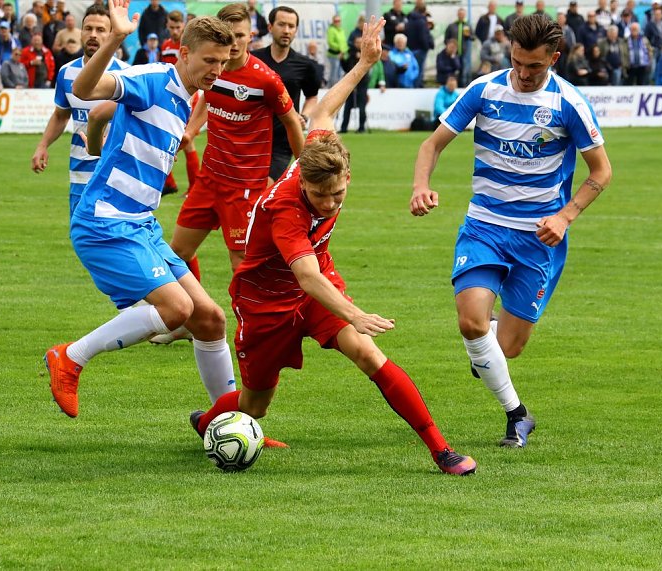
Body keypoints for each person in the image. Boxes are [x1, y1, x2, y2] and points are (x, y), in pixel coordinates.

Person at [190, 16, 477, 477]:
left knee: (367, 353)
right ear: (301, 179)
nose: (327, 203)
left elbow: (323, 111)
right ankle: (207, 421)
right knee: (255, 406)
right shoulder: (285, 208)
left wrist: (365, 62)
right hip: (265, 302)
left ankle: (441, 450)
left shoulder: (324, 153)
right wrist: (354, 313)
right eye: (319, 195)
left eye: (337, 195)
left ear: (346, 175)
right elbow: (304, 274)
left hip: (316, 288)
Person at [409, 14, 612, 448]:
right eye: (517, 62)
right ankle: (517, 415)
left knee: (508, 348)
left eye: (534, 66)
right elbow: (432, 144)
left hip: (539, 238)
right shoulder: (484, 89)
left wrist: (565, 216)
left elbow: (601, 171)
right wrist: (421, 186)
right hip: (484, 227)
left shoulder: (568, 103)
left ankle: (494, 336)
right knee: (469, 322)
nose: (522, 73)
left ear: (553, 59)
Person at [43, 3, 240, 423]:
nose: (216, 70)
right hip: (106, 223)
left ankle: (225, 421)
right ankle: (70, 357)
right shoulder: (152, 79)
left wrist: (100, 146)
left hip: (141, 226)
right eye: (209, 61)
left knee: (210, 318)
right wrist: (115, 38)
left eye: (222, 62)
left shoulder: (190, 97)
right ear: (184, 53)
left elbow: (102, 119)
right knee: (177, 311)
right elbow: (86, 89)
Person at [169, 3, 304, 283]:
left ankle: (254, 325)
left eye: (240, 36)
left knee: (241, 264)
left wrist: (304, 169)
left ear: (250, 35)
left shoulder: (265, 80)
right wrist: (191, 131)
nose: (234, 43)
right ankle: (189, 319)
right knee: (177, 252)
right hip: (209, 179)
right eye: (228, 36)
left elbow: (291, 121)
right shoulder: (213, 69)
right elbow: (208, 99)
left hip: (244, 187)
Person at [32, 3, 128, 215]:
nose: (93, 34)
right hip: (79, 174)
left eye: (101, 30)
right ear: (80, 31)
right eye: (88, 28)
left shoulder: (126, 75)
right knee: (81, 239)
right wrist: (43, 145)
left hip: (116, 174)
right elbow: (60, 115)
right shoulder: (66, 72)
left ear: (112, 33)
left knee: (110, 240)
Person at [252, 5, 321, 183]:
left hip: (283, 141)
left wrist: (303, 116)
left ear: (296, 30)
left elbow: (312, 97)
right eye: (282, 25)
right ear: (270, 27)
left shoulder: (306, 65)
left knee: (266, 185)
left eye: (291, 26)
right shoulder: (253, 59)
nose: (286, 30)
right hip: (251, 136)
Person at [158, 9, 199, 197]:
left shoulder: (189, 46)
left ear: (183, 26)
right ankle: (170, 184)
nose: (175, 31)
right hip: (170, 97)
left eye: (178, 27)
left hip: (189, 98)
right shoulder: (165, 45)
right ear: (167, 25)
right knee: (164, 139)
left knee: (187, 143)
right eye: (172, 27)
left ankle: (194, 188)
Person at [339, 35, 369, 133]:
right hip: (351, 85)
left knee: (361, 107)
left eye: (360, 42)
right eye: (357, 42)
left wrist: (361, 59)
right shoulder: (351, 54)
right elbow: (347, 68)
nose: (358, 44)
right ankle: (344, 128)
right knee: (347, 108)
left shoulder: (366, 53)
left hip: (362, 85)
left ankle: (361, 127)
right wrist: (342, 60)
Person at [326, 13, 347, 86]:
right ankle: (331, 87)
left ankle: (336, 87)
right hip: (334, 55)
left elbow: (344, 42)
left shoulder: (341, 30)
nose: (337, 22)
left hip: (341, 55)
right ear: (333, 21)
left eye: (339, 21)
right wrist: (340, 49)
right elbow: (331, 43)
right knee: (333, 73)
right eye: (336, 21)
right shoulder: (331, 30)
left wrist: (343, 51)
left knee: (340, 73)